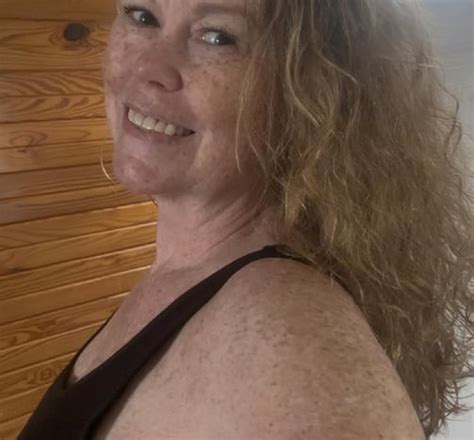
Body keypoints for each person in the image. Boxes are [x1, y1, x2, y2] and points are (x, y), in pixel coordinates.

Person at [18, 0, 473, 439]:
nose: (146, 68)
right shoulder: (187, 275)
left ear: (313, 94)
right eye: (142, 16)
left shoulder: (292, 346)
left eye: (217, 36)